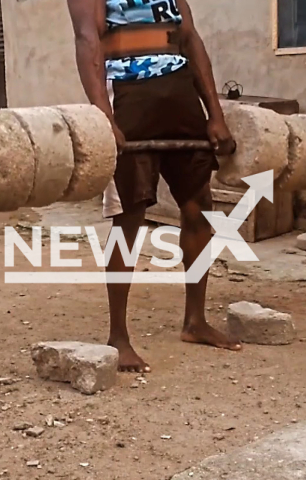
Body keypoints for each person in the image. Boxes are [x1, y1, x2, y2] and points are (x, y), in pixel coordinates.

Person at [67, 0, 241, 373]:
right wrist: (104, 116)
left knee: (199, 212)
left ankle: (195, 322)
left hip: (179, 96)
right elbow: (87, 40)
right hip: (129, 98)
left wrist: (215, 113)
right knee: (128, 219)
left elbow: (190, 39)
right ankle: (119, 336)